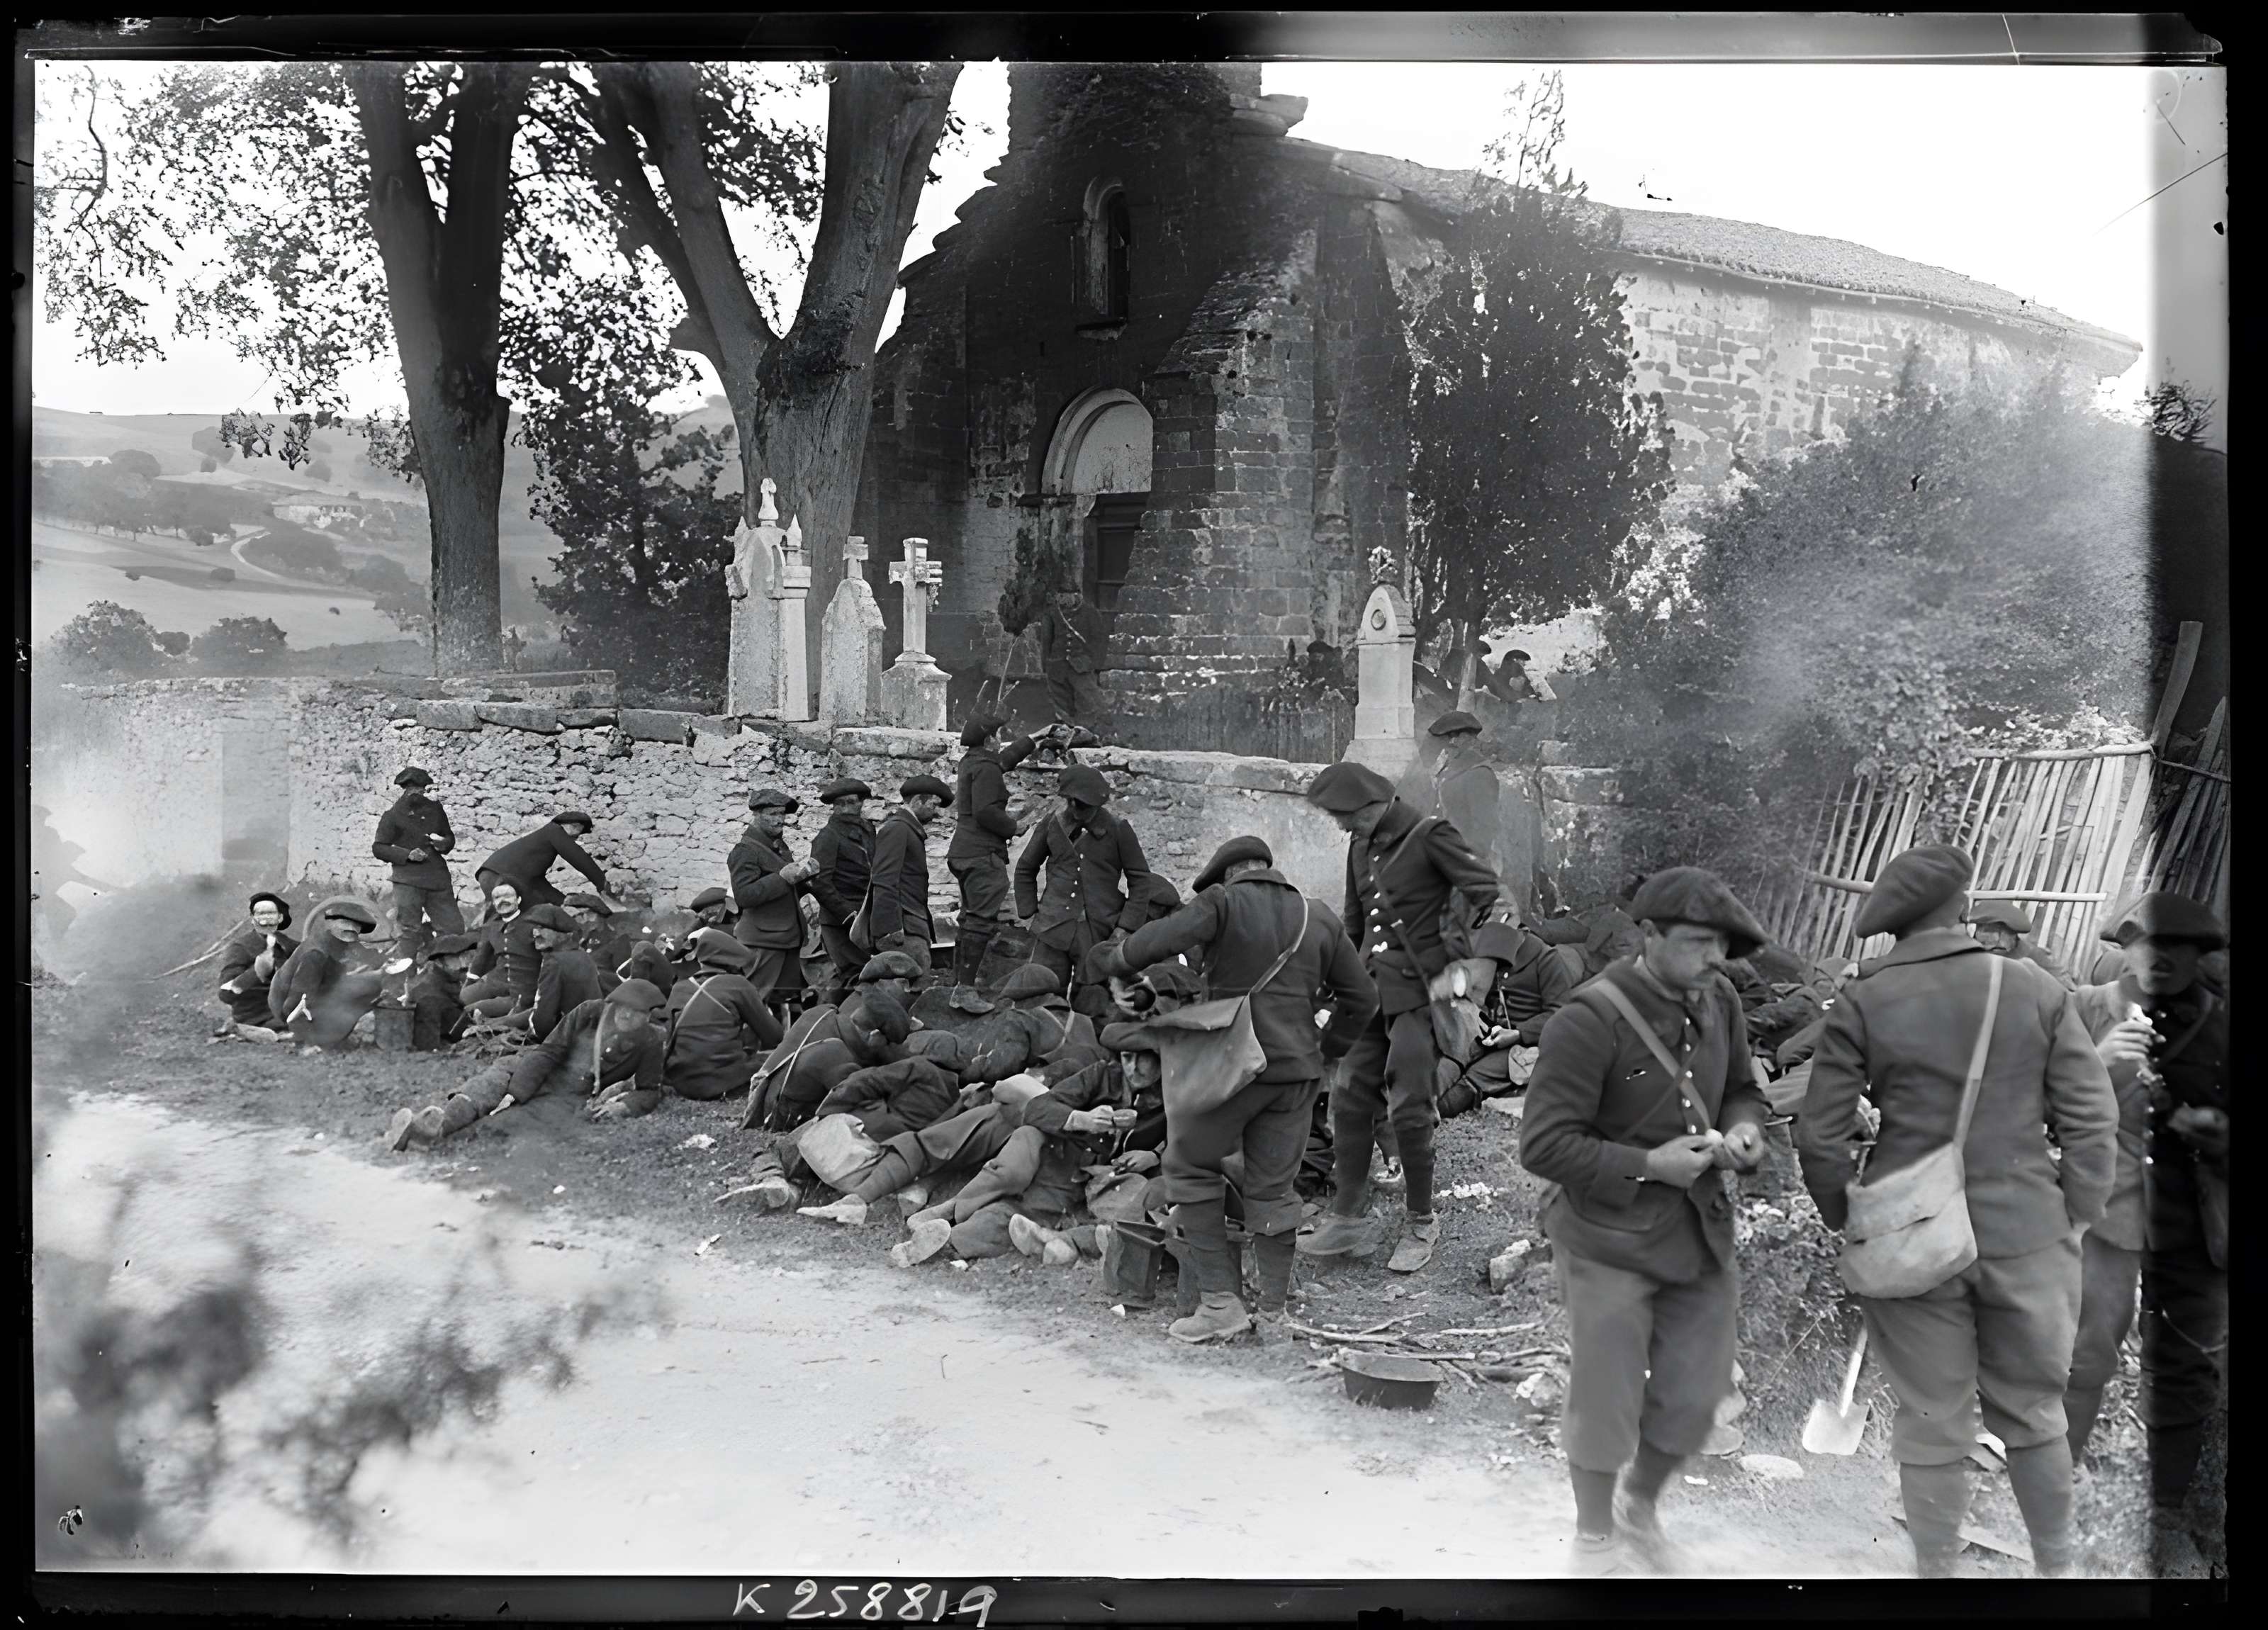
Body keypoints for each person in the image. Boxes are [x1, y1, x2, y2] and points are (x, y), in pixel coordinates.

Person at [1796, 845, 2117, 1581]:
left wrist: (1851, 1212)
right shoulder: (2033, 987)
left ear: (1893, 925)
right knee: (2036, 1417)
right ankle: (2056, 1575)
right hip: (2027, 1233)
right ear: (1961, 908)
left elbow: (1819, 1135)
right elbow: (2091, 1118)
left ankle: (1936, 1577)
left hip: (1911, 1237)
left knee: (1930, 1417)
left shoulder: (1864, 997)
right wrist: (2072, 1212)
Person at [1517, 867, 1772, 1578]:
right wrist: (1646, 1163)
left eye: (1720, 943)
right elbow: (1540, 1145)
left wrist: (1745, 1131)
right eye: (1696, 942)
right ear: (1648, 935)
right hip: (1606, 1236)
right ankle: (1594, 1534)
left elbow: (1744, 1090)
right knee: (1606, 1394)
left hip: (1699, 1231)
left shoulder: (1719, 998)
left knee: (1697, 1394)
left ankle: (1640, 1505)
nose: (1713, 958)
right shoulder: (1587, 1018)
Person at [1094, 833, 1379, 1340]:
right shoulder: (1320, 917)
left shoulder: (1222, 902)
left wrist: (1118, 963)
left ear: (1228, 874)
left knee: (1187, 1165)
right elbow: (1363, 998)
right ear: (1269, 868)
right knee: (1272, 1188)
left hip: (1235, 1065)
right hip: (1297, 1073)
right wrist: (1328, 1050)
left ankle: (1222, 1305)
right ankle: (1273, 1315)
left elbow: (1159, 939)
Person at [2063, 893, 2228, 1570]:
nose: (2159, 960)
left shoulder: (2221, 1028)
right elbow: (2029, 1104)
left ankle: (2165, 1513)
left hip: (2194, 1224)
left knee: (2187, 1367)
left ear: (2198, 957)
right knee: (2085, 1349)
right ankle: (2052, 1476)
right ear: (2123, 946)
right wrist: (2095, 1065)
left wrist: (2216, 1135)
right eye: (2146, 945)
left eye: (2178, 950)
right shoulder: (2081, 1009)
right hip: (2109, 1212)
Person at [1298, 760, 1499, 1276]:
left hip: (1420, 996)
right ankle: (1348, 1218)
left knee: (1409, 1108)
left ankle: (1420, 1221)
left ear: (1375, 804)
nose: (1343, 826)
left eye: (1348, 816)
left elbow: (1490, 899)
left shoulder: (1431, 836)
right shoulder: (1360, 847)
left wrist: (1462, 972)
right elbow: (1354, 921)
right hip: (1371, 994)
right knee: (1346, 1096)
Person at [385, 979, 672, 1151]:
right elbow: (549, 1052)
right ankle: (430, 1129)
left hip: (562, 1098)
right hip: (528, 1067)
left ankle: (432, 1143)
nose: (625, 1015)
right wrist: (516, 1092)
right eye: (621, 1006)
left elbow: (649, 1090)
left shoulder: (650, 1040)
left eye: (636, 1012)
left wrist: (624, 1106)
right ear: (612, 1003)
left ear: (648, 1016)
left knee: (501, 1124)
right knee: (482, 1092)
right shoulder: (589, 1012)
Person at [1014, 763, 1152, 1017]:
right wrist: (1030, 914)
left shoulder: (1118, 829)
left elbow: (1141, 880)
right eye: (1074, 804)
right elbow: (1025, 869)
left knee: (1093, 998)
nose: (1079, 812)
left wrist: (1125, 926)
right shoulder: (1052, 824)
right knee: (1042, 993)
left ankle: (1088, 1047)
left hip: (1097, 930)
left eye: (1087, 806)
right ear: (1068, 801)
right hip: (1053, 928)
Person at [741, 955, 923, 1137]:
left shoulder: (824, 1012)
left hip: (767, 1099)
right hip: (783, 1118)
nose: (916, 990)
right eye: (905, 984)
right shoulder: (842, 1054)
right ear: (880, 984)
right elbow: (869, 1104)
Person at [947, 714, 1055, 988]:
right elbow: (985, 812)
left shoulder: (972, 761)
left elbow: (1003, 760)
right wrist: (1014, 827)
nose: (999, 740)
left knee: (969, 918)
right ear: (988, 740)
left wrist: (1035, 738)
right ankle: (965, 989)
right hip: (982, 854)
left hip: (963, 851)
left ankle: (959, 981)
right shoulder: (985, 768)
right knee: (980, 922)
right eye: (997, 735)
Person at [1435, 919, 1579, 1118]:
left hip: (1525, 1042)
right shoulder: (1485, 951)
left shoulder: (1545, 958)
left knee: (1476, 1077)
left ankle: (1428, 1114)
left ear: (1521, 932)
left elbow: (1560, 1013)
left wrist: (1519, 1034)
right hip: (1487, 1032)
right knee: (1451, 1059)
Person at [661, 927, 786, 1102]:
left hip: (679, 1081)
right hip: (719, 1081)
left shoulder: (679, 987)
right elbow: (774, 1037)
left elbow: (666, 1037)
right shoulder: (737, 984)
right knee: (780, 1061)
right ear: (733, 960)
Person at [729, 787, 816, 1006]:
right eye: (774, 814)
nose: (780, 820)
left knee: (785, 1001)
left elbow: (786, 887)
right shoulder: (745, 850)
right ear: (757, 815)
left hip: (787, 939)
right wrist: (783, 878)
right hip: (763, 942)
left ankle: (780, 1040)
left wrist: (805, 879)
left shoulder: (779, 846)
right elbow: (744, 896)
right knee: (754, 1003)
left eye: (782, 814)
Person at [269, 896, 386, 1052]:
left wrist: (394, 959)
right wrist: (305, 1043)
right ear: (332, 924)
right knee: (365, 992)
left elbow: (367, 955)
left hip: (322, 990)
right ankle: (321, 1039)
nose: (353, 930)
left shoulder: (340, 941)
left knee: (376, 981)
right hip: (291, 1006)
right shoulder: (316, 955)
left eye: (356, 926)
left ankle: (334, 1036)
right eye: (346, 924)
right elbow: (296, 1002)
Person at [371, 766, 464, 961]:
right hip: (408, 881)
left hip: (437, 879)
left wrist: (444, 843)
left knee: (452, 928)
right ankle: (407, 973)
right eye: (412, 789)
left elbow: (449, 837)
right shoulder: (392, 815)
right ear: (404, 789)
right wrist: (407, 855)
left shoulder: (435, 810)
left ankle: (450, 970)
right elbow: (379, 848)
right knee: (410, 931)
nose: (417, 793)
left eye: (420, 789)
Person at [868, 775, 953, 975]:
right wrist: (890, 929)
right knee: (911, 985)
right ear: (918, 801)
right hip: (904, 928)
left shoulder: (907, 829)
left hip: (912, 923)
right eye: (933, 804)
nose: (936, 813)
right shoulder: (898, 829)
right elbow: (884, 880)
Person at [806, 777, 877, 1004]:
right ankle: (828, 1019)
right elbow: (819, 882)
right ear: (837, 806)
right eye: (843, 804)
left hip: (865, 916)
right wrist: (849, 914)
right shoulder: (828, 837)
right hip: (841, 921)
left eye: (855, 803)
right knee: (852, 976)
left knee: (866, 972)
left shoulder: (867, 829)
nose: (850, 808)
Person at [477, 809, 611, 911]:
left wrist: (562, 902)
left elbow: (537, 882)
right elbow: (579, 858)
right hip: (499, 876)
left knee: (500, 916)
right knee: (520, 917)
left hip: (492, 874)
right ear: (571, 825)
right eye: (576, 834)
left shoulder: (543, 842)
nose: (575, 839)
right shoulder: (555, 831)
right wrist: (602, 884)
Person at [1424, 712, 1502, 874]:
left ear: (1463, 739)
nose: (1446, 749)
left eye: (1450, 743)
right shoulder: (1452, 770)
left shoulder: (1478, 774)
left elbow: (1484, 831)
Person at [215, 892, 298, 1038]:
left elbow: (305, 951)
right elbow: (225, 994)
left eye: (271, 914)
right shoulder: (240, 948)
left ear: (280, 918)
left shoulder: (282, 942)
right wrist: (256, 972)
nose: (266, 919)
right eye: (260, 914)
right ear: (253, 919)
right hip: (257, 1017)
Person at [460, 879, 541, 1020]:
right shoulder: (492, 926)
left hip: (522, 989)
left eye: (507, 896)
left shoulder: (533, 924)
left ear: (519, 899)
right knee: (459, 1001)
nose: (502, 901)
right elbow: (482, 958)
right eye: (497, 898)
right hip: (495, 982)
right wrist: (468, 984)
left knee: (474, 1010)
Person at [527, 904, 604, 1040]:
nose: (536, 933)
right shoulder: (583, 956)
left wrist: (538, 1038)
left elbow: (543, 1017)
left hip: (570, 1037)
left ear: (562, 934)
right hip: (594, 1031)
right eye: (535, 928)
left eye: (542, 928)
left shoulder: (554, 961)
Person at [1038, 587, 1111, 726]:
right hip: (1057, 667)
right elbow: (1046, 641)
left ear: (1077, 596)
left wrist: (1093, 663)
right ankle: (1067, 733)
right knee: (1061, 706)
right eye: (1060, 595)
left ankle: (1097, 733)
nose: (1063, 599)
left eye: (1067, 595)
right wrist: (1046, 665)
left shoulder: (1090, 613)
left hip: (1082, 666)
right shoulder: (1052, 614)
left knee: (1092, 702)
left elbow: (1100, 640)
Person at [1965, 901, 2077, 988]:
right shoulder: (1970, 956)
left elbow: (2067, 990)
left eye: (1990, 930)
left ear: (2010, 933)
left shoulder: (2035, 956)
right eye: (1980, 928)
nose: (1981, 934)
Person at [410, 932, 476, 1052]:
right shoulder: (428, 995)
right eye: (455, 958)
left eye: (463, 956)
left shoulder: (454, 977)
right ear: (439, 962)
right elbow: (427, 1046)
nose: (463, 964)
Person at [566, 892, 638, 987]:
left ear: (593, 915)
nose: (575, 920)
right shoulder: (582, 937)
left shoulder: (618, 939)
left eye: (579, 916)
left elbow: (623, 978)